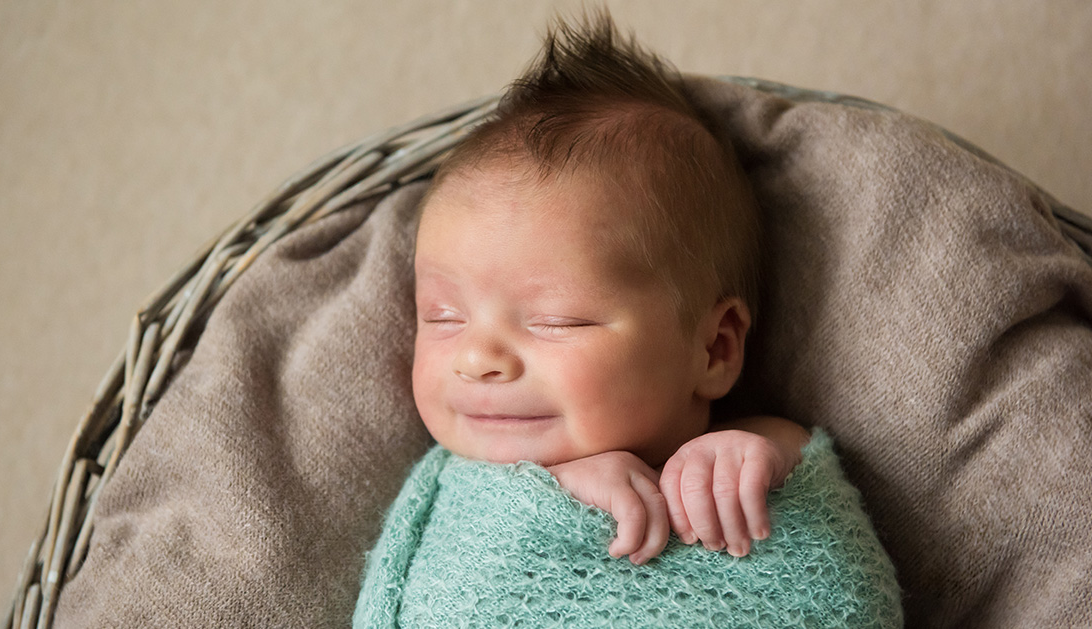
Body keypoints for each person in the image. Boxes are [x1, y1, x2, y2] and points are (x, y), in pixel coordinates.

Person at [355, 12, 901, 627]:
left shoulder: (752, 448)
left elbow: (833, 576)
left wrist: (755, 456)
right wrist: (559, 485)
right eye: (443, 316)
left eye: (557, 321)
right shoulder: (465, 488)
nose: (478, 357)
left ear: (715, 349)